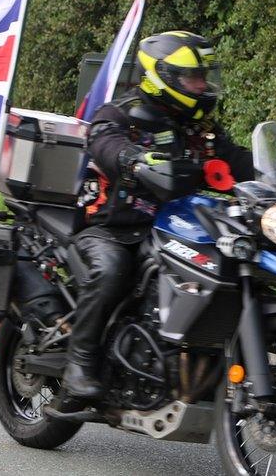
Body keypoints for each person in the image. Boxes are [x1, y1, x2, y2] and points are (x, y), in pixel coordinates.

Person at [60, 31, 255, 402]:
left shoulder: (199, 127)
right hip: (108, 227)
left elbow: (235, 160)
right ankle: (79, 364)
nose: (201, 84)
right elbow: (104, 141)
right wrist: (130, 159)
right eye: (192, 77)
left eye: (204, 76)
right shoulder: (120, 113)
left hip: (171, 227)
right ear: (161, 74)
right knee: (113, 267)